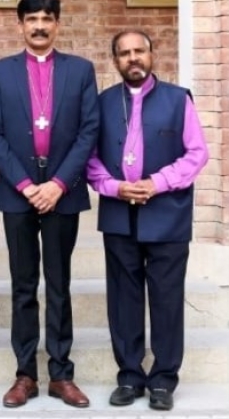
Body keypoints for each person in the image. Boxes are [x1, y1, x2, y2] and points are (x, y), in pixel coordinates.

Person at [0, 0, 99, 409]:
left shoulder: (81, 70)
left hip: (62, 195)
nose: (39, 25)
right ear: (20, 25)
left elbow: (89, 130)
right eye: (31, 19)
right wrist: (26, 184)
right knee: (23, 285)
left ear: (57, 24)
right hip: (18, 194)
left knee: (60, 284)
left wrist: (58, 184)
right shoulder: (0, 71)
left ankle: (62, 374)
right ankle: (26, 374)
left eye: (47, 18)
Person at [86, 30, 208, 412]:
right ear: (115, 61)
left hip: (167, 215)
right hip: (120, 214)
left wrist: (157, 182)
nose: (133, 58)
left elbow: (196, 154)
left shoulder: (177, 99)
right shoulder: (103, 103)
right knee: (123, 300)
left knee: (167, 299)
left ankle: (163, 380)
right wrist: (113, 187)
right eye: (124, 54)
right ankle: (129, 376)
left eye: (139, 51)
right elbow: (89, 159)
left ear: (152, 54)